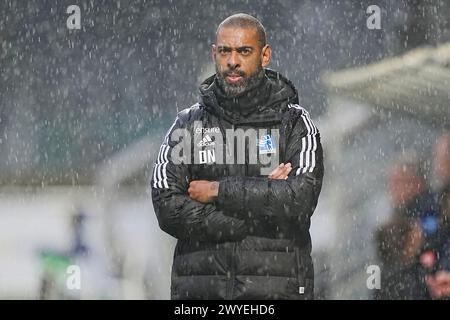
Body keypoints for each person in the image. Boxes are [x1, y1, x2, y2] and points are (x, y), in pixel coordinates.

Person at [150, 13, 324, 300]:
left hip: (275, 294)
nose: (233, 61)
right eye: (225, 51)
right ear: (214, 54)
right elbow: (167, 206)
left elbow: (300, 197)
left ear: (265, 55)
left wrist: (218, 191)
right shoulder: (188, 124)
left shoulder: (295, 123)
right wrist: (253, 213)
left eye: (244, 51)